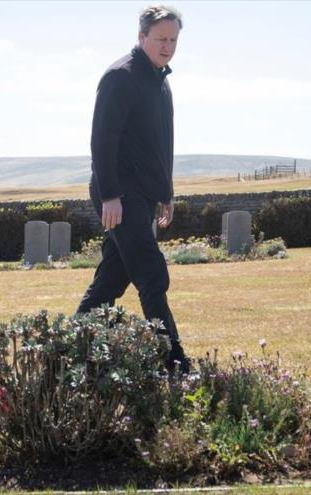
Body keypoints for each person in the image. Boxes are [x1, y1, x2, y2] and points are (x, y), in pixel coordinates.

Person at [76, 5, 190, 374]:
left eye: (173, 39)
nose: (167, 46)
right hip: (120, 195)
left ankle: (68, 348)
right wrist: (109, 195)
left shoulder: (161, 81)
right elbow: (102, 141)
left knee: (112, 278)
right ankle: (175, 364)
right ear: (142, 37)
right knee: (152, 274)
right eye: (161, 39)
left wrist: (166, 192)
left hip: (146, 194)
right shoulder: (120, 77)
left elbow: (162, 144)